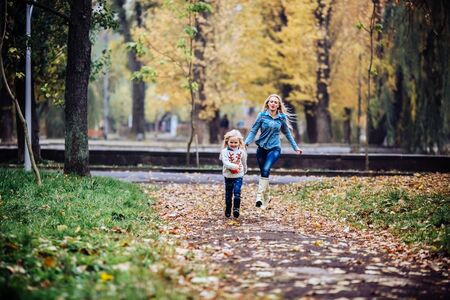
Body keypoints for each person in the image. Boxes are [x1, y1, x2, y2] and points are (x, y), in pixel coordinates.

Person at [244, 94, 302, 209]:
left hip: (274, 148)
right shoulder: (261, 116)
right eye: (271, 102)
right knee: (264, 174)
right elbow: (253, 131)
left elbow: (287, 133)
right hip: (261, 149)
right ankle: (267, 197)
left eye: (276, 102)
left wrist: (295, 147)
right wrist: (245, 143)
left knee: (266, 169)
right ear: (268, 103)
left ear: (278, 105)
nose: (273, 104)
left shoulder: (281, 118)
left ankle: (259, 197)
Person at [220, 129, 248, 218]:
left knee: (237, 192)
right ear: (227, 142)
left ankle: (236, 208)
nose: (233, 144)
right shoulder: (224, 152)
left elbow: (244, 162)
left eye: (235, 142)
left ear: (239, 143)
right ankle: (228, 208)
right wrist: (234, 166)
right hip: (228, 176)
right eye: (231, 142)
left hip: (239, 175)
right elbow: (226, 162)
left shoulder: (242, 152)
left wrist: (245, 169)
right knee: (228, 194)